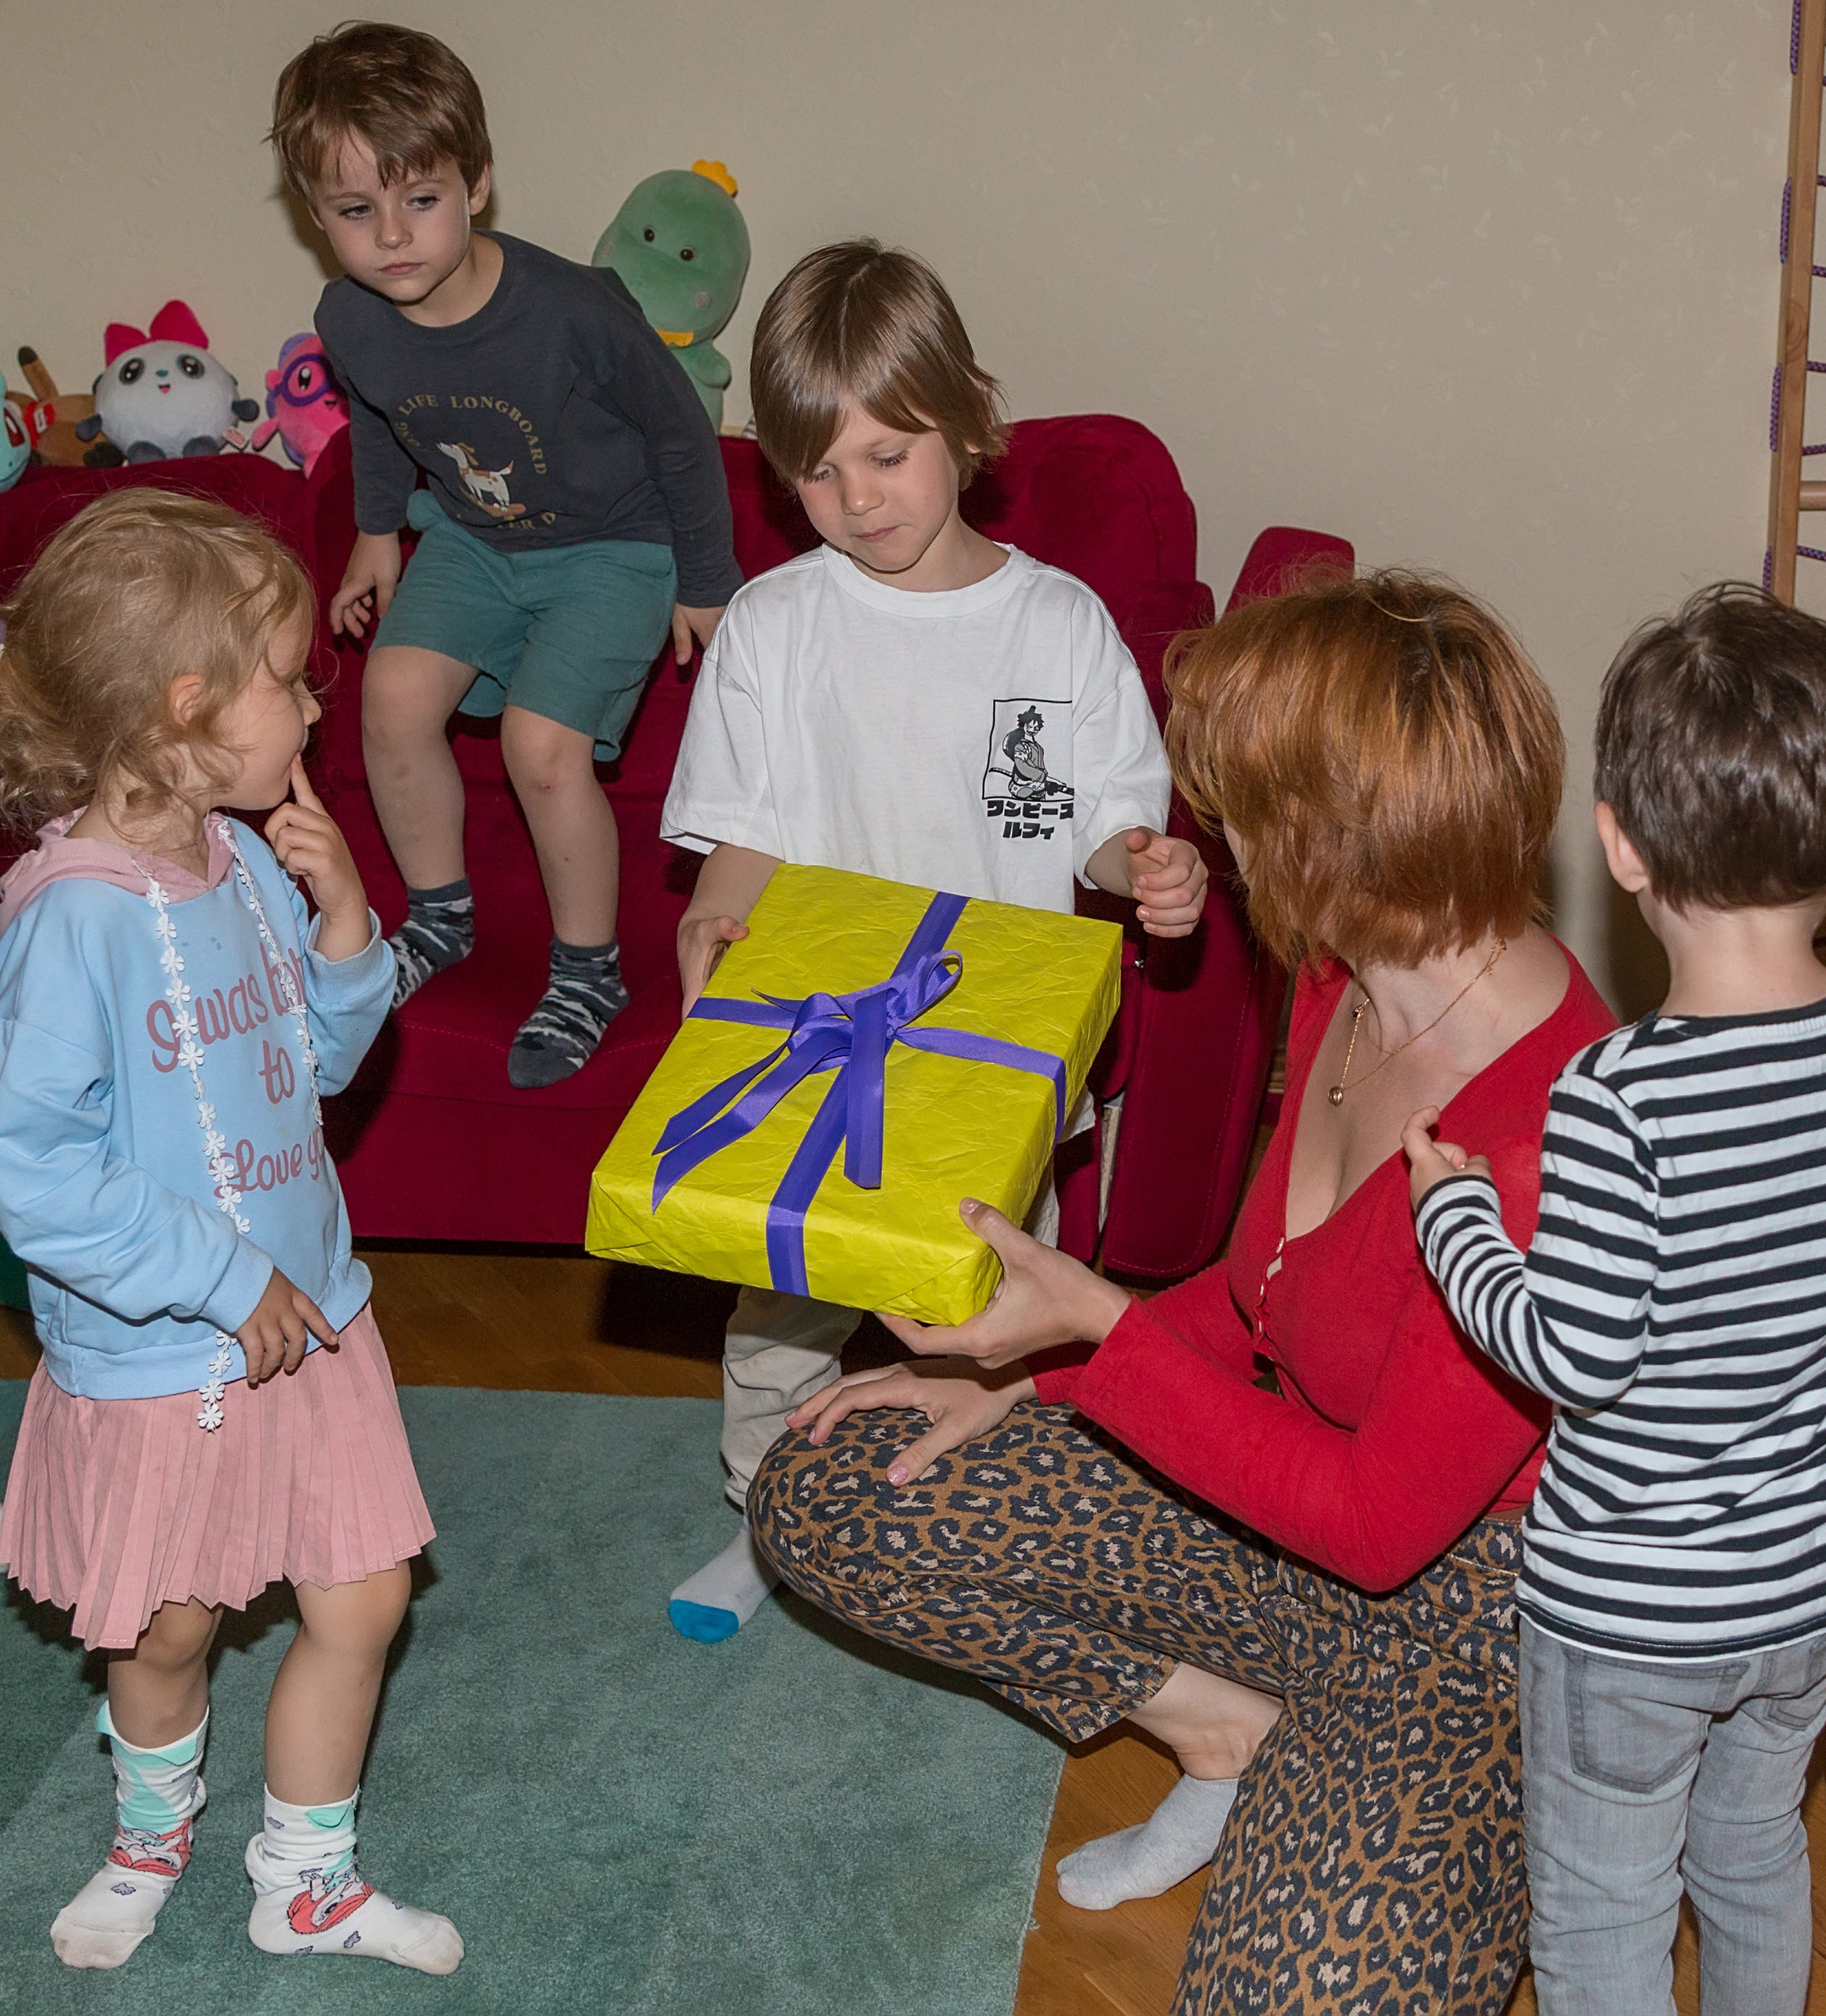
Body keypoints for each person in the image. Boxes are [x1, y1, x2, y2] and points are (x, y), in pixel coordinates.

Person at [749, 571, 1618, 2014]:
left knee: (1296, 1999)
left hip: (1469, 1609)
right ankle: (1230, 1735)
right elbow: (1257, 1290)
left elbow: (1384, 1528)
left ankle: (1413, 1798)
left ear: (1336, 836)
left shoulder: (1543, 1138)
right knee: (832, 1483)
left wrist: (1097, 1329)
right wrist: (1018, 1373)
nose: (1218, 841)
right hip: (1280, 1515)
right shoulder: (1356, 970)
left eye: (1246, 812)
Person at [657, 239, 1208, 1642]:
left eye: (888, 456)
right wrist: (718, 916)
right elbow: (743, 833)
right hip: (820, 1035)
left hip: (993, 1047)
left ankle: (968, 1515)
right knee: (778, 1308)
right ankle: (769, 1515)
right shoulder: (774, 627)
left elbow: (1099, 822)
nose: (856, 500)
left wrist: (1141, 865)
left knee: (990, 1303)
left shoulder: (1056, 624)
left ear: (965, 420)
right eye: (819, 474)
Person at [1401, 584, 1826, 2016]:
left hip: (1630, 1612)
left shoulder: (1619, 1096)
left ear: (1618, 849)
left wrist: (1454, 1221)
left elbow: (1572, 1350)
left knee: (1604, 1903)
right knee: (1755, 1855)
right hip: (1808, 1582)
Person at [0, 491, 458, 1976]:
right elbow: (28, 1164)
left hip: (314, 1312)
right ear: (187, 704)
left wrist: (338, 931)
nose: (316, 697)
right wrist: (217, 1273)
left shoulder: (240, 852)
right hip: (164, 1349)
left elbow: (315, 1070)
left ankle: (306, 1878)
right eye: (288, 674)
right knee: (169, 1633)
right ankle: (148, 1835)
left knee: (365, 1594)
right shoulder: (70, 919)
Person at [269, 22, 743, 1087]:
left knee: (540, 741)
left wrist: (709, 580)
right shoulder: (350, 319)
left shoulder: (574, 310)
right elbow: (381, 420)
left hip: (612, 548)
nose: (392, 235)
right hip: (475, 539)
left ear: (476, 183)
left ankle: (589, 970)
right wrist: (376, 530)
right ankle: (439, 919)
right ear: (319, 217)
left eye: (420, 199)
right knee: (387, 697)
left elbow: (679, 432)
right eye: (355, 210)